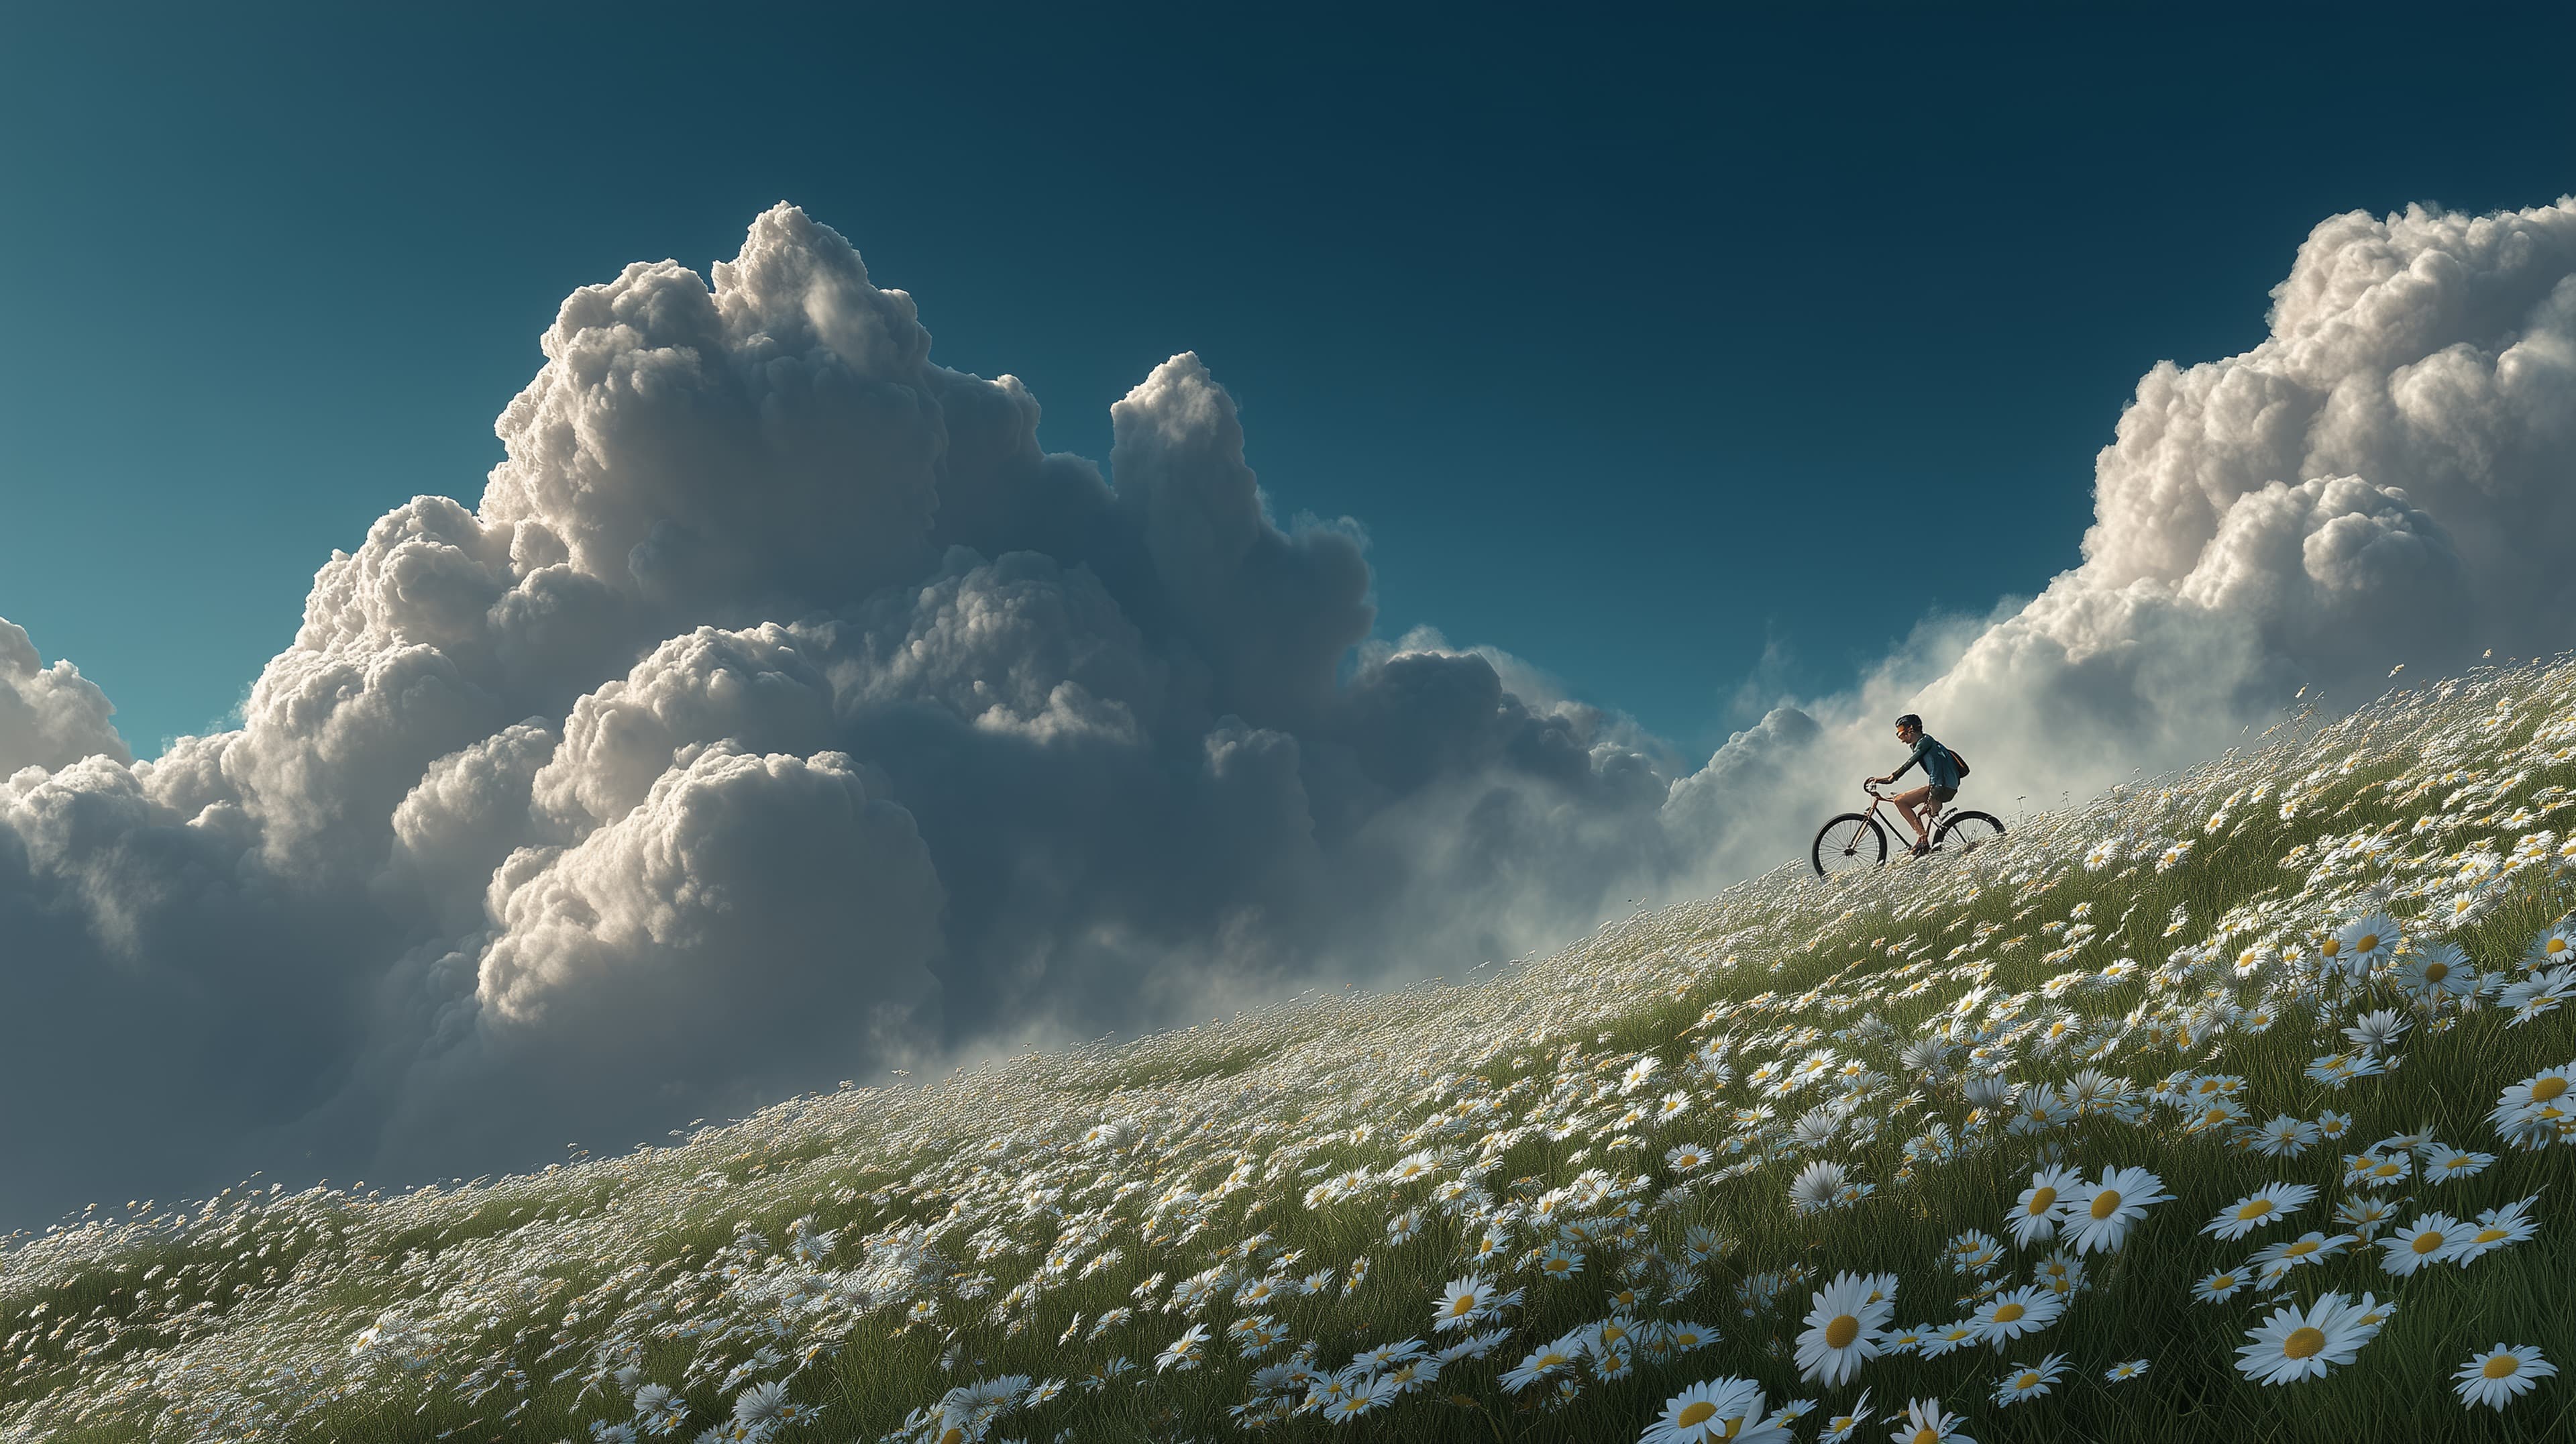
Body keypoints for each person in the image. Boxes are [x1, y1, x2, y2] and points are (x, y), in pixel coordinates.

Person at [1872, 713, 1961, 858]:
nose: (1901, 738)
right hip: (1942, 785)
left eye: (1901, 732)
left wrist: (1891, 778)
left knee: (1900, 801)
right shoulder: (1921, 743)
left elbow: (1911, 762)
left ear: (1911, 729)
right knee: (1916, 811)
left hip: (1941, 786)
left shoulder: (1924, 742)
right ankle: (1923, 840)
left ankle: (1923, 840)